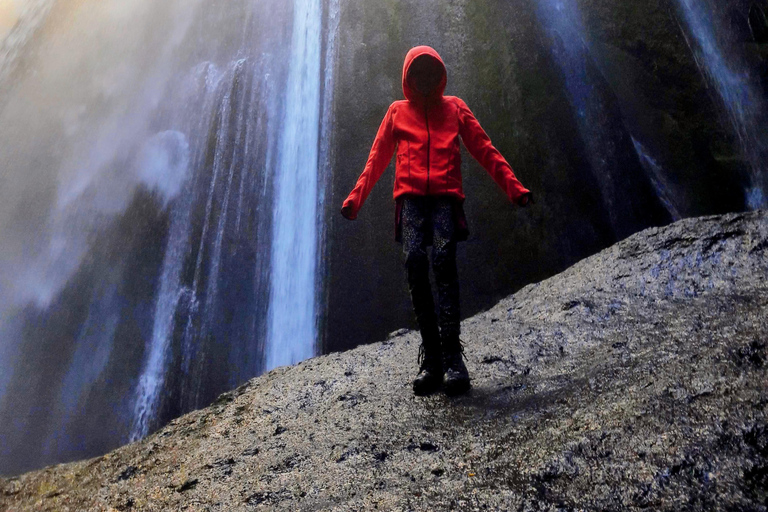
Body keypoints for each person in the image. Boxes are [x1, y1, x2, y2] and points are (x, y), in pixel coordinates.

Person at [341, 45, 532, 396]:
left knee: (443, 263)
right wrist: (355, 198)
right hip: (411, 200)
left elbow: (484, 148)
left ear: (439, 75)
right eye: (419, 73)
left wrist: (514, 188)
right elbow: (377, 158)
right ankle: (432, 360)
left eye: (431, 72)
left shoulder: (455, 108)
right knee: (415, 263)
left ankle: (453, 359)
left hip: (444, 199)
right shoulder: (397, 111)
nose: (425, 79)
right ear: (409, 77)